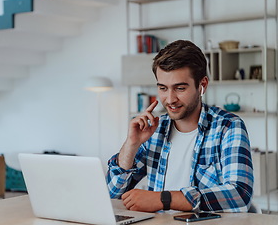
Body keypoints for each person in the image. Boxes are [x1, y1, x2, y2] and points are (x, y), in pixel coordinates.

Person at [106, 40, 254, 213]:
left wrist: (163, 199)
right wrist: (131, 145)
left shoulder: (228, 127)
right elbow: (112, 193)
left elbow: (239, 195)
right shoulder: (154, 130)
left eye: (180, 88)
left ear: (202, 85)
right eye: (163, 88)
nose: (170, 99)